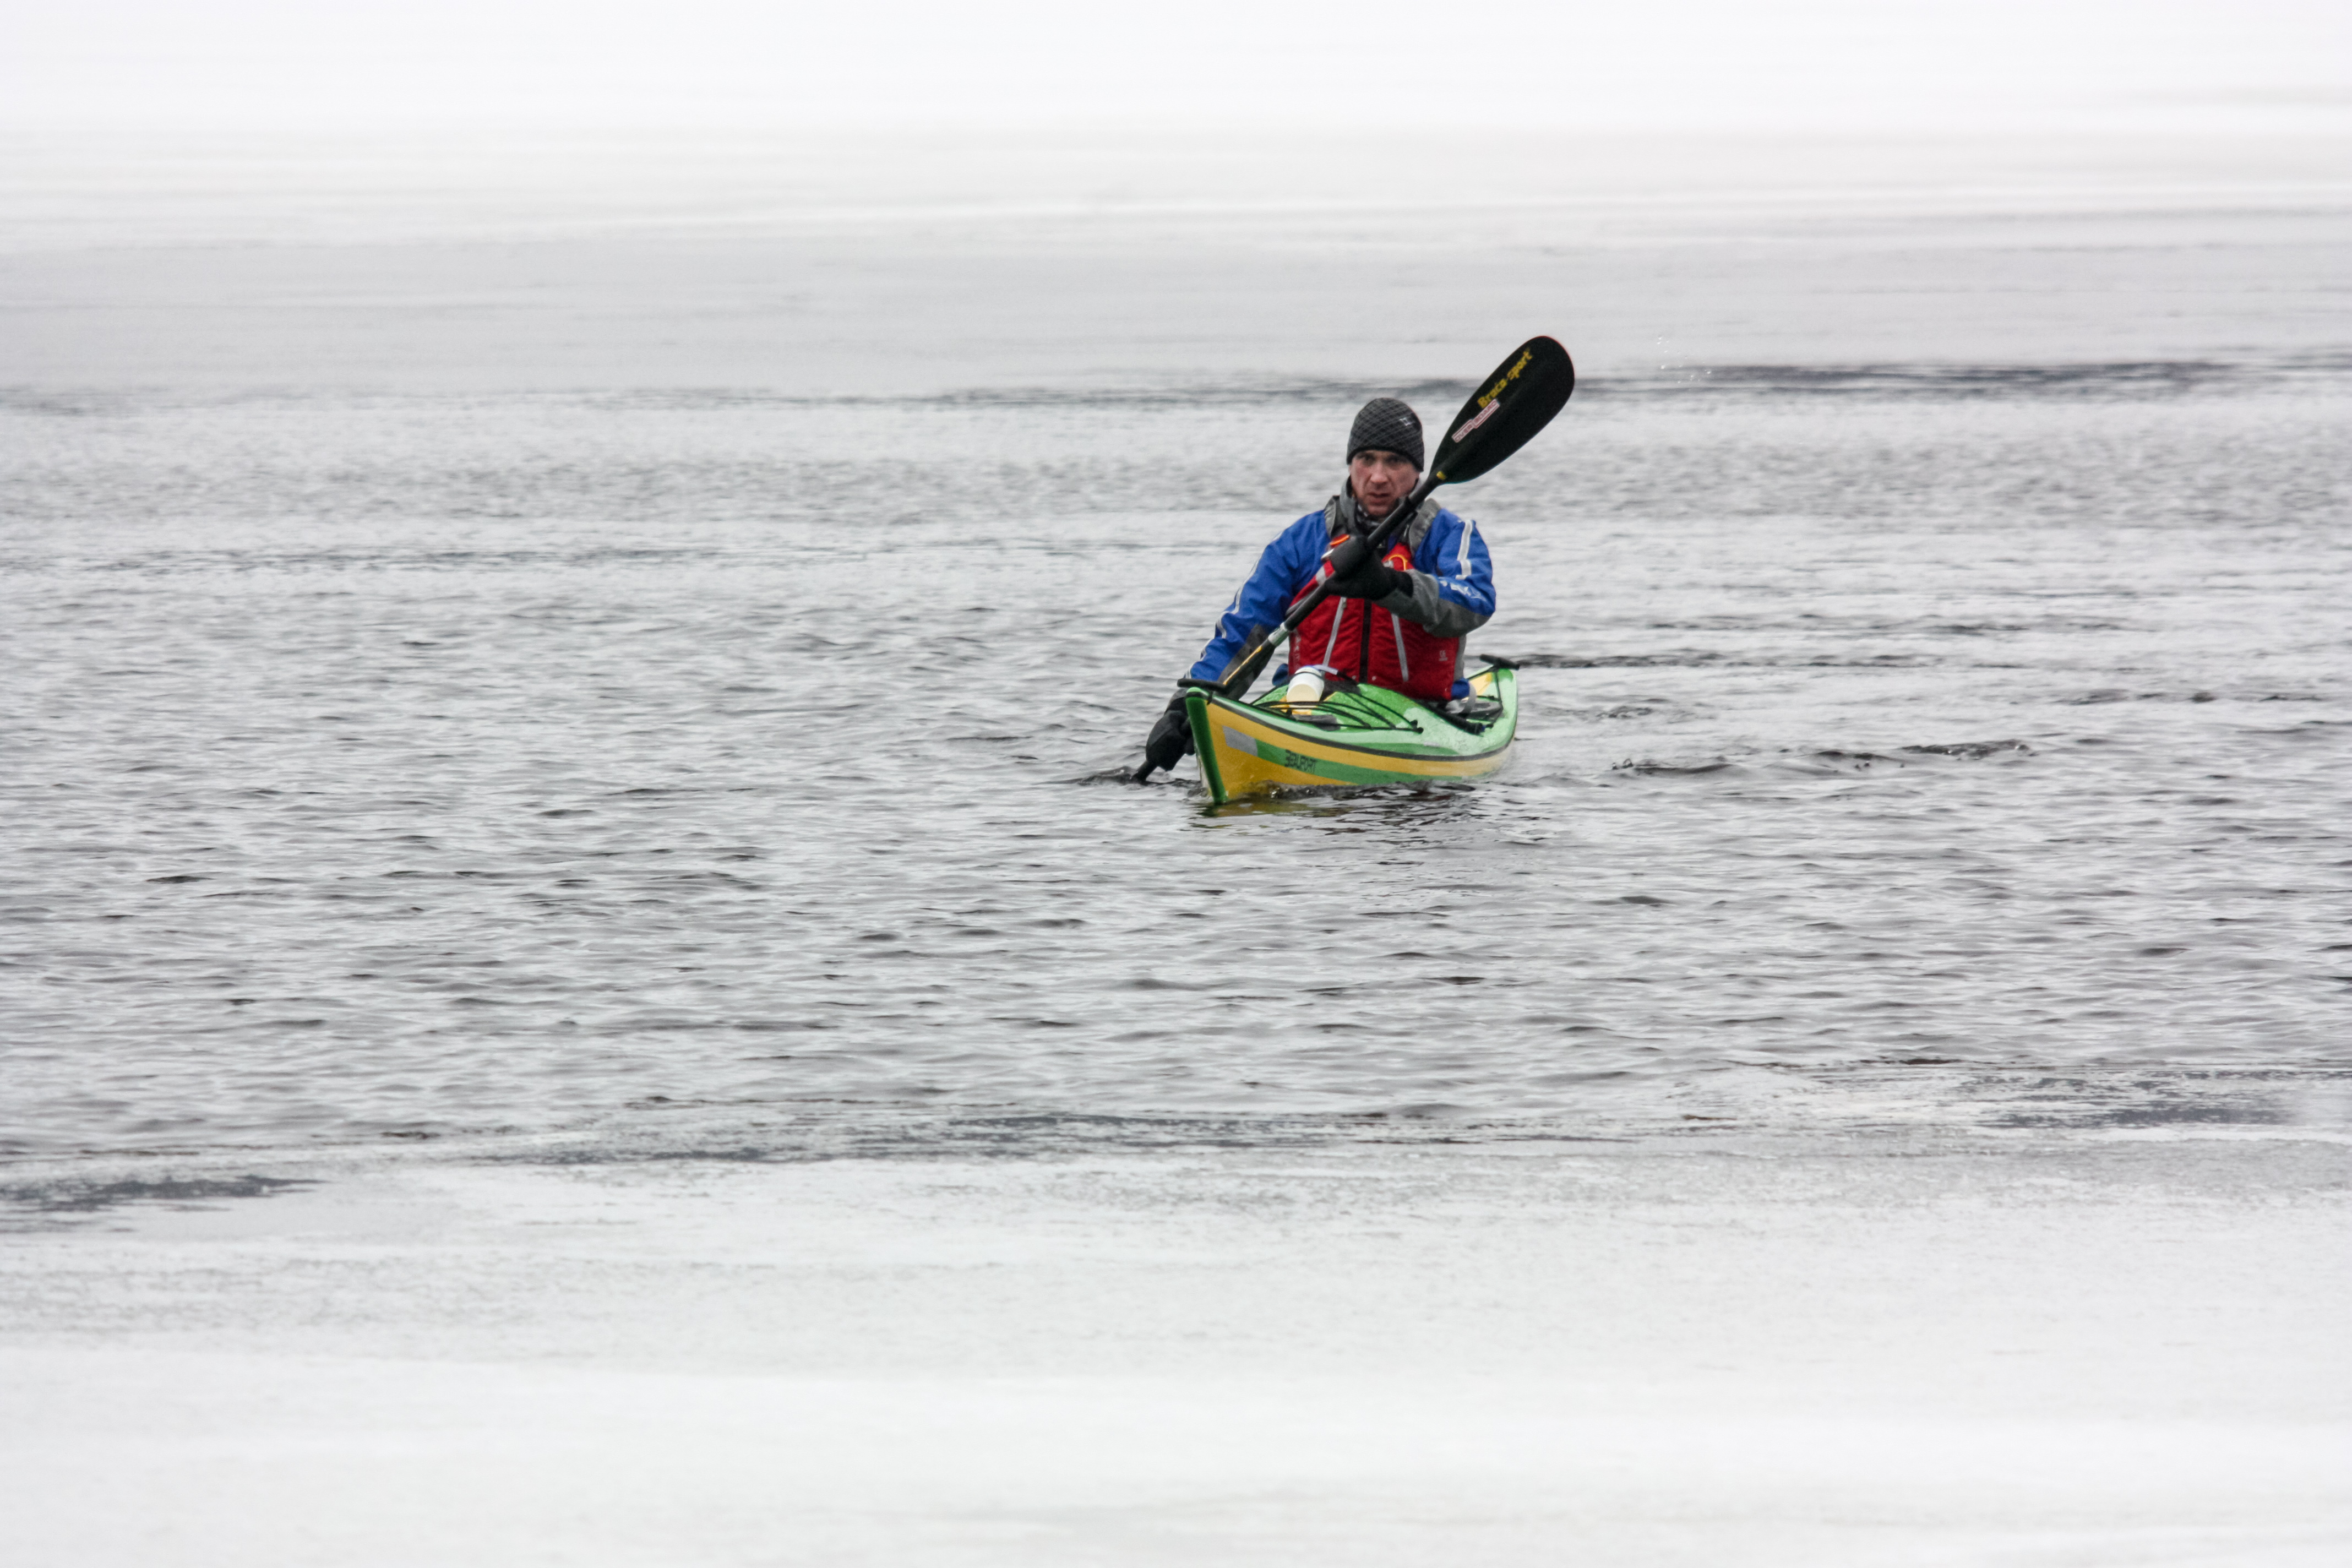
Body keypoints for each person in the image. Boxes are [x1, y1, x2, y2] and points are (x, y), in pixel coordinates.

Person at [1140, 396, 1495, 775]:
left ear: (1417, 471)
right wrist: (1188, 704)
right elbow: (1242, 633)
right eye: (1367, 459)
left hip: (1422, 713)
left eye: (1394, 461)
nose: (1378, 477)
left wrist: (1391, 585)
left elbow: (1475, 602)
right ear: (1351, 465)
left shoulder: (1449, 534)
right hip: (1310, 706)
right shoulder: (1301, 542)